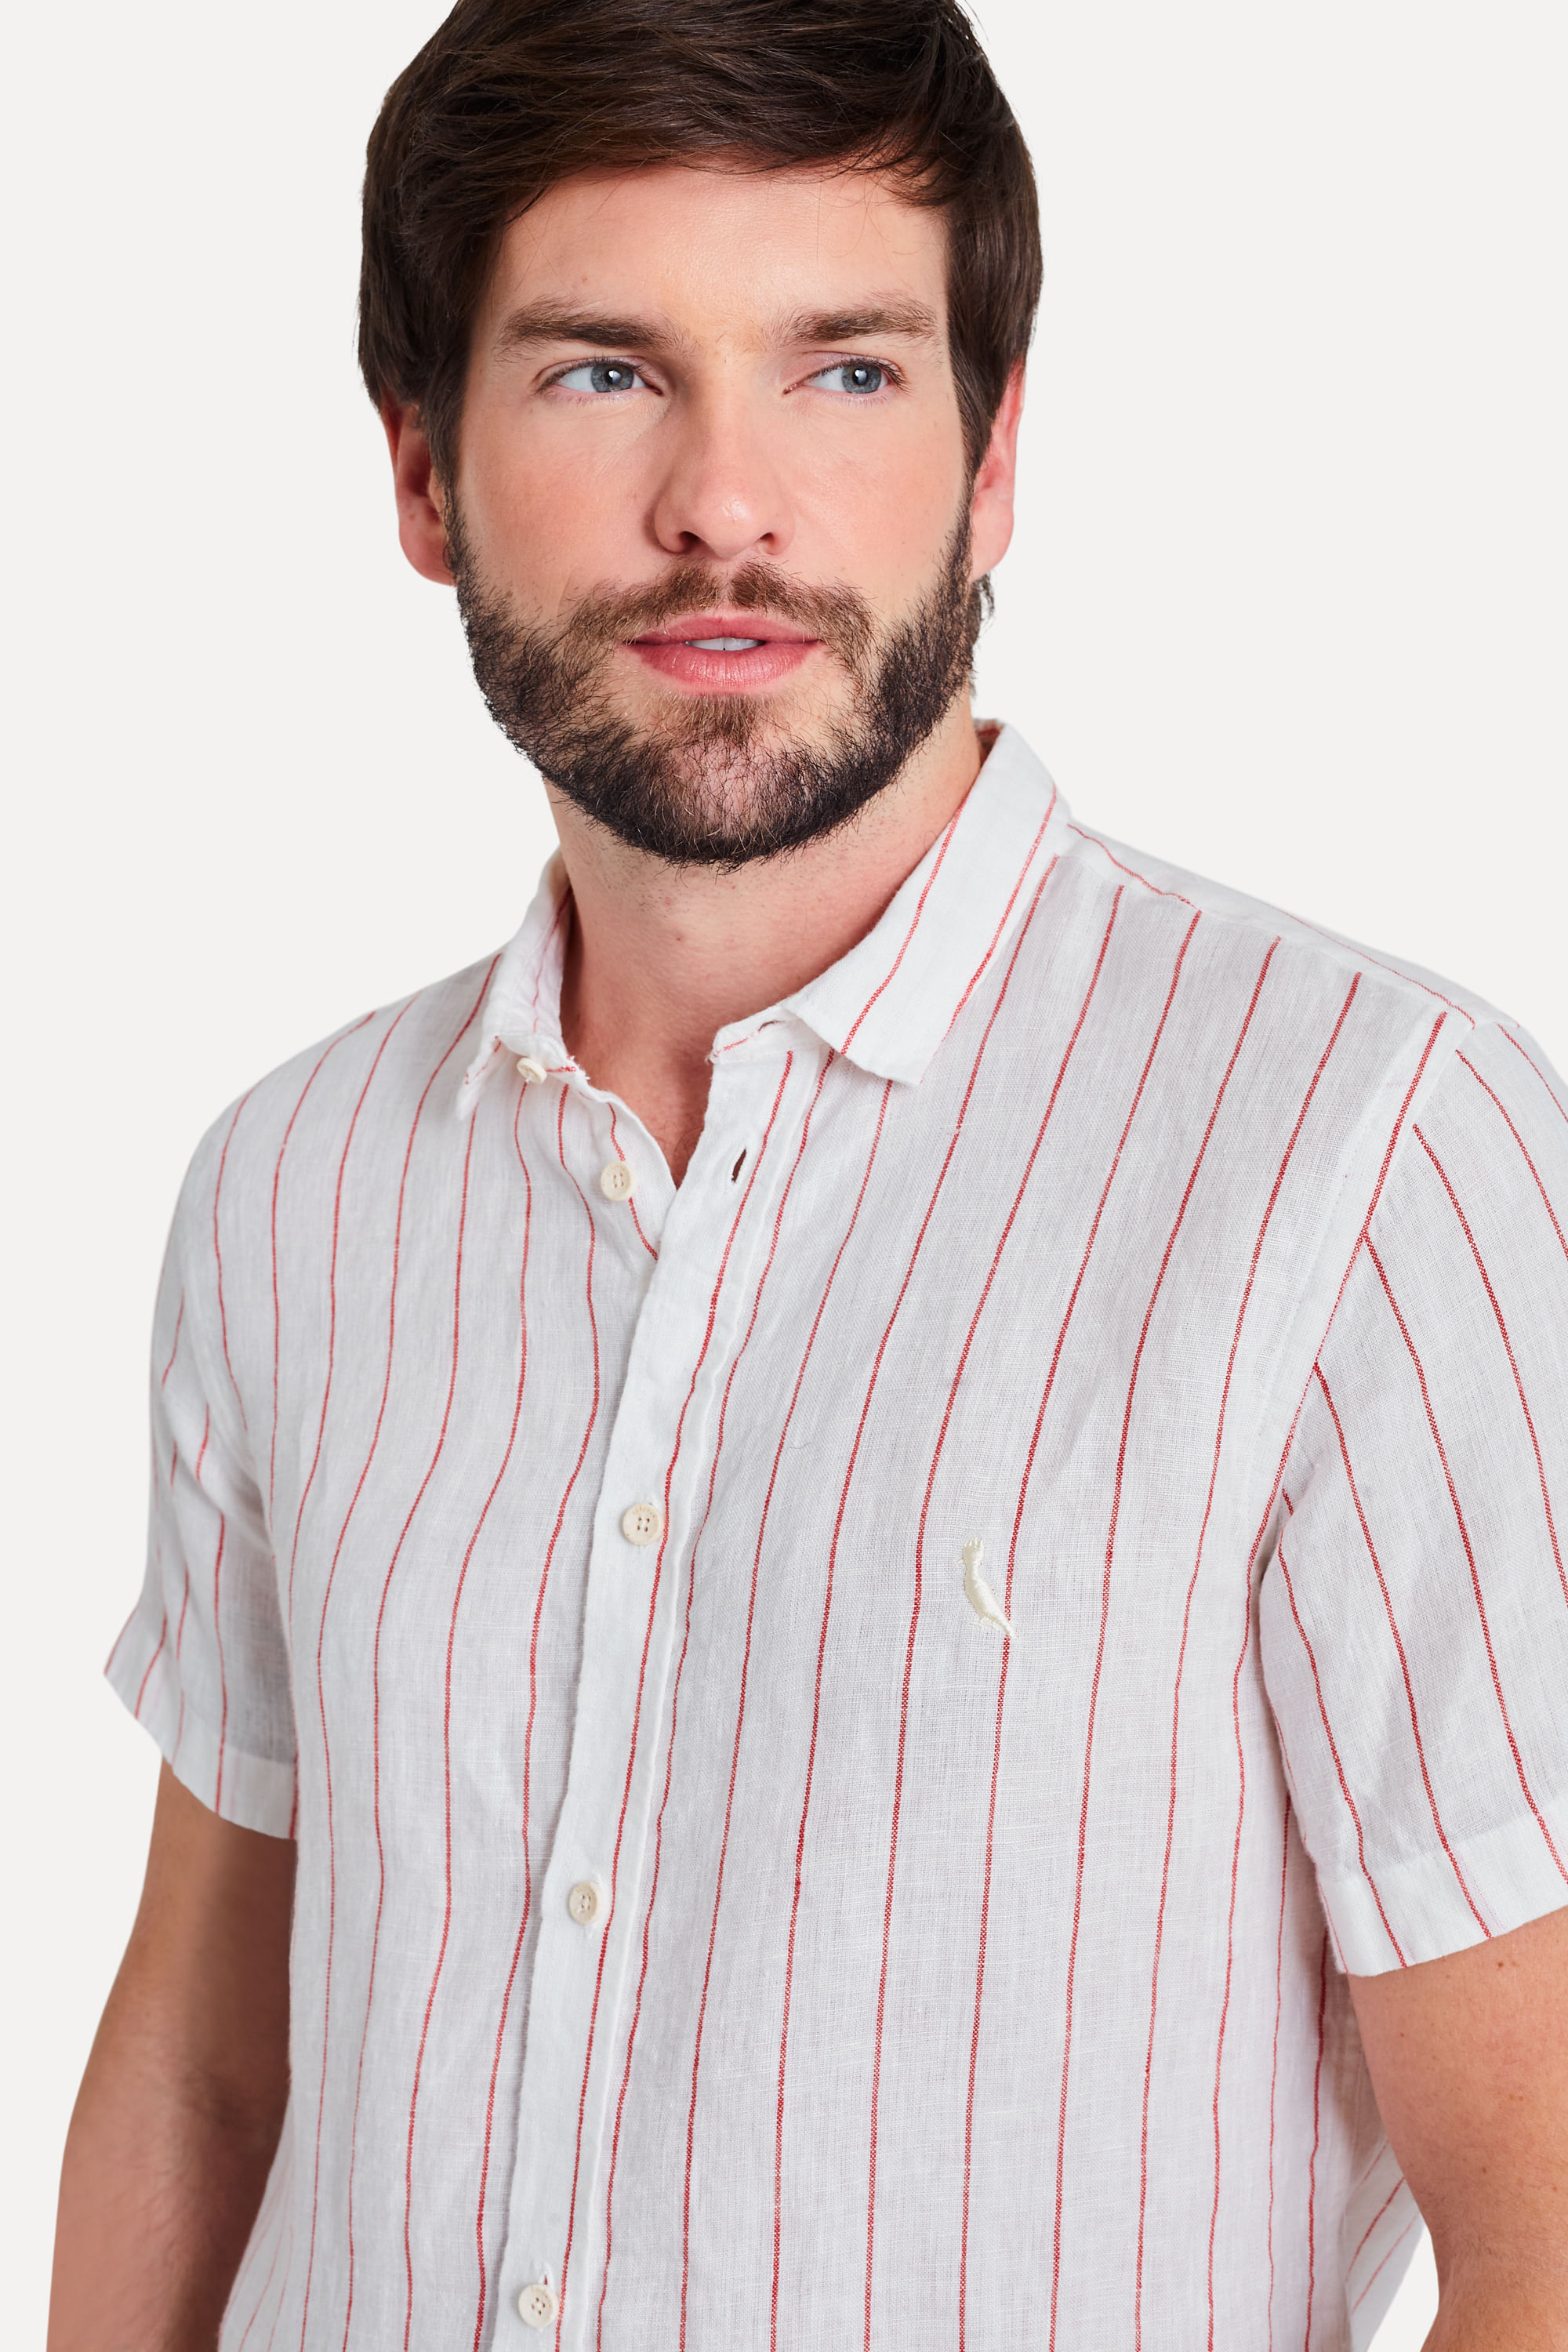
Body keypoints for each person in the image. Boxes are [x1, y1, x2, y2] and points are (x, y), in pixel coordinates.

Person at [47, 1, 1568, 2345]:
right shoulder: (293, 1188)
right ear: (423, 472)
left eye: (845, 370)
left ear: (994, 455)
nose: (726, 505)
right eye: (603, 372)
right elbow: (207, 2069)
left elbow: (1544, 2225)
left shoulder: (1362, 1156)